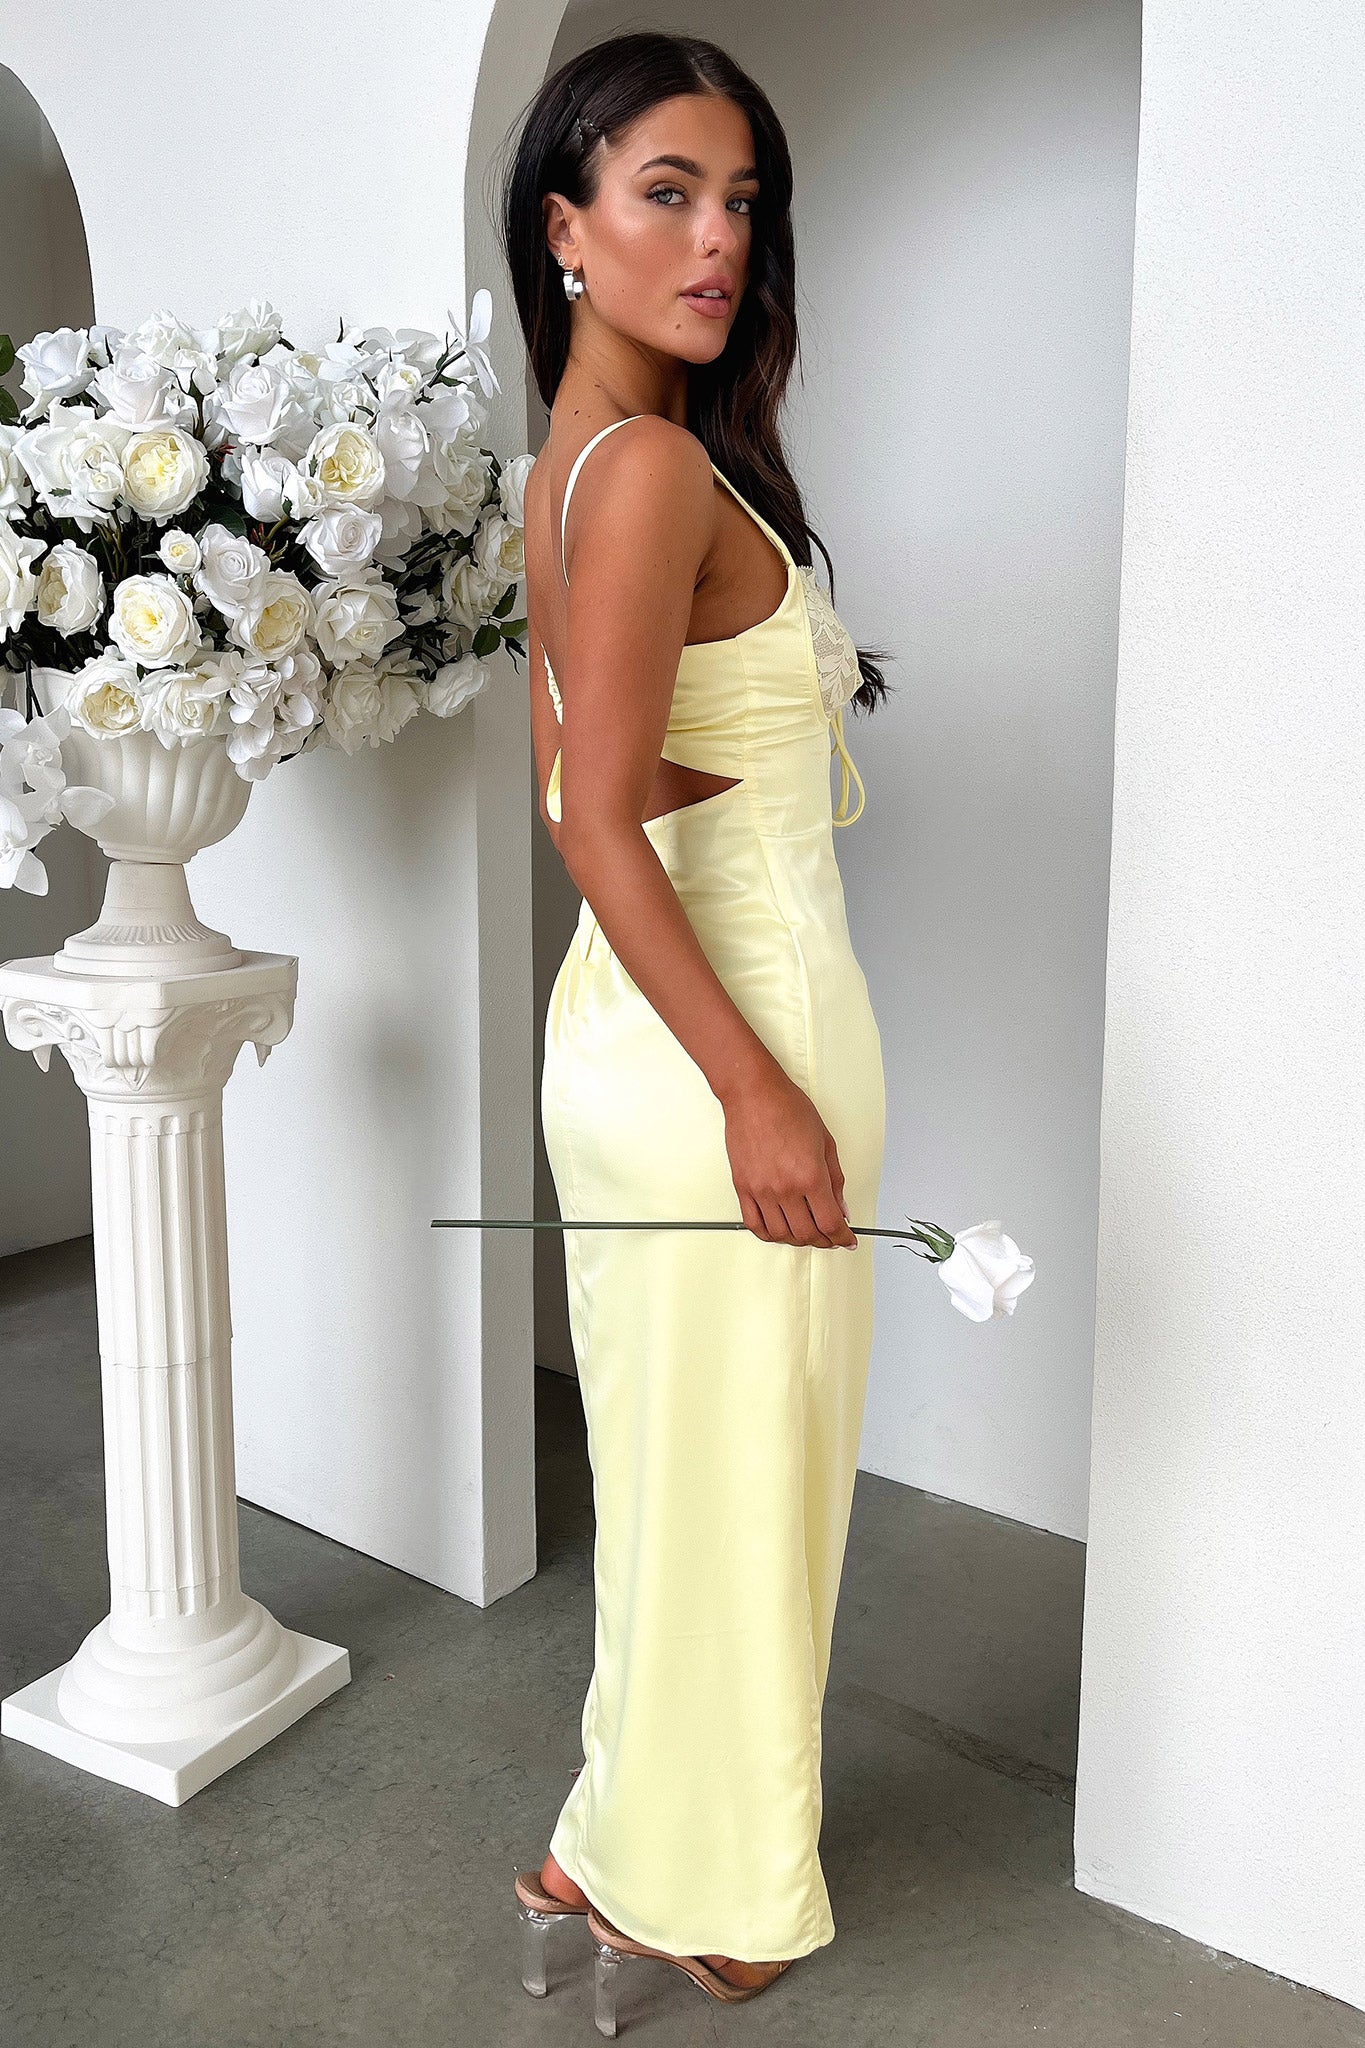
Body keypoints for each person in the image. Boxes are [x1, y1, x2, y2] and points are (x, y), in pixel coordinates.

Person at [496, 29, 891, 2026]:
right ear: (565, 228)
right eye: (667, 192)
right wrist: (759, 1093)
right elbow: (592, 817)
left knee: (681, 1471)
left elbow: (586, 781)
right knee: (744, 1480)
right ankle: (704, 1884)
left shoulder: (577, 463)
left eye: (742, 199)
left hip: (629, 1036)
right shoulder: (650, 469)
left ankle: (607, 1825)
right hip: (729, 1042)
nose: (718, 236)